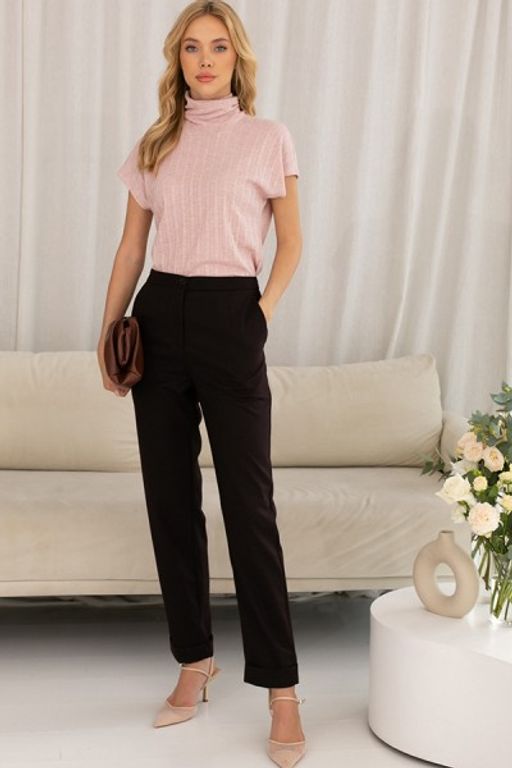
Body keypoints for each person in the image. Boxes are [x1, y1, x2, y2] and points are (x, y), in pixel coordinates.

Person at [96, 2, 305, 765]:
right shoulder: (156, 142)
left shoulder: (267, 137)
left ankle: (282, 689)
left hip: (230, 315)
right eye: (192, 47)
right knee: (170, 498)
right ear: (177, 59)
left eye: (218, 47)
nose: (205, 59)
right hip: (159, 316)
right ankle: (194, 661)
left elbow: (292, 241)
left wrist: (260, 314)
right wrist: (109, 328)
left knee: (250, 505)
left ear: (236, 58)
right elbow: (131, 247)